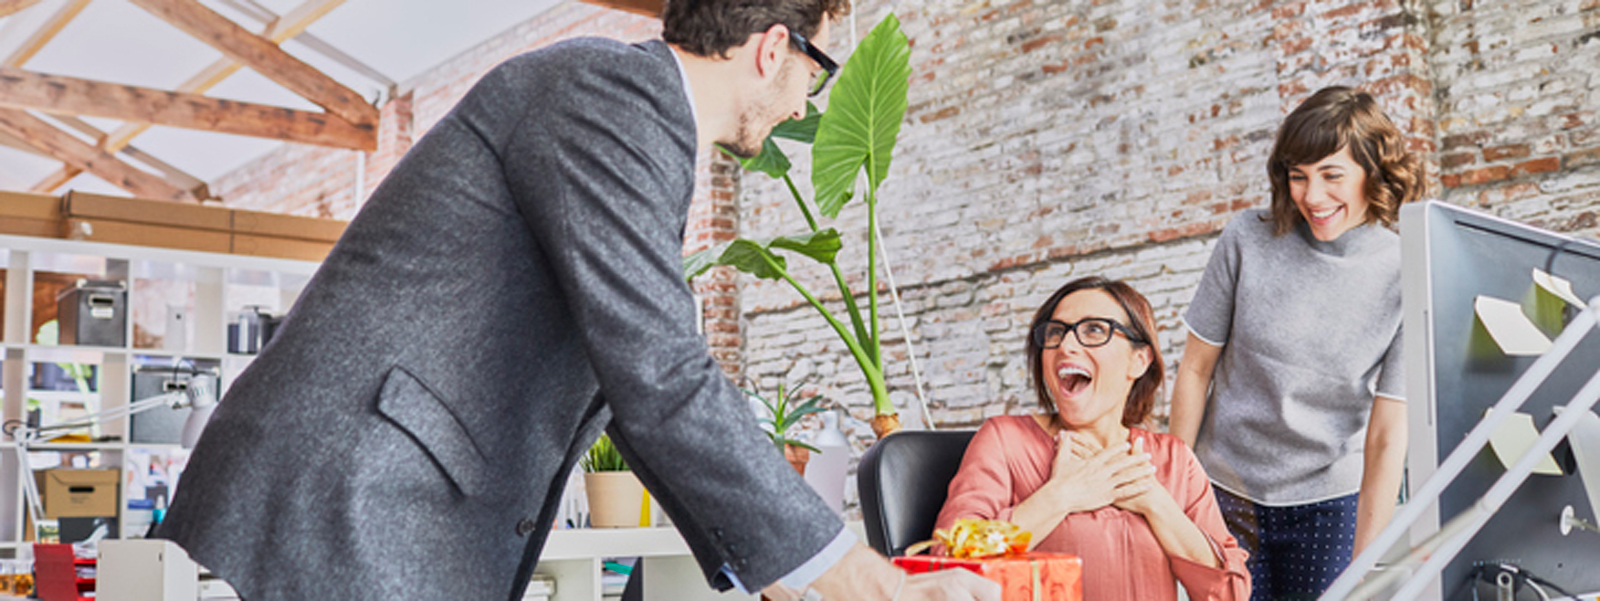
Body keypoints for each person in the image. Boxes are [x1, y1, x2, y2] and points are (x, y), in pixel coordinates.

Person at [158, 1, 1000, 599]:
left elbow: (635, 390)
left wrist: (786, 574)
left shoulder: (631, 120)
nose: (808, 101)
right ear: (773, 48)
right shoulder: (614, 96)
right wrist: (861, 580)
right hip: (351, 495)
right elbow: (661, 374)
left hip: (371, 503)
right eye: (818, 67)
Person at [1167, 85, 1423, 599]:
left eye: (1332, 175)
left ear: (1372, 173)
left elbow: (1388, 431)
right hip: (1225, 490)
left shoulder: (1406, 273)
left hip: (1328, 502)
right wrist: (1178, 486)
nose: (1312, 196)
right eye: (1299, 175)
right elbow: (1195, 371)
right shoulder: (1247, 238)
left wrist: (1366, 565)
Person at [935, 276, 1250, 600]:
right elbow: (948, 568)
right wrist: (1061, 495)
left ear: (1138, 360)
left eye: (1095, 330)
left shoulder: (1174, 460)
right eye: (1056, 333)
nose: (1066, 346)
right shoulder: (1006, 441)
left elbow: (1230, 593)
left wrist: (1155, 503)